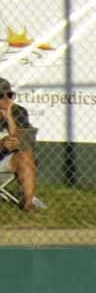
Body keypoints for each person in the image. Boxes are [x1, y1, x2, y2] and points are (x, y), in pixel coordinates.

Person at [0, 77, 42, 211]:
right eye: (1, 95)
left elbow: (24, 142)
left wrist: (10, 119)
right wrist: (1, 144)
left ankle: (28, 203)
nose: (7, 99)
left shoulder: (18, 111)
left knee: (25, 155)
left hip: (5, 162)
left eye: (10, 95)